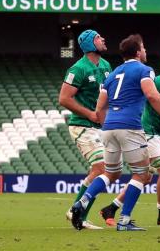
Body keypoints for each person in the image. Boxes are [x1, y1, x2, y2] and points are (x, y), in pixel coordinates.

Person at [70, 34, 160, 232]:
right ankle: (124, 220)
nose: (146, 51)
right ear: (138, 52)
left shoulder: (113, 73)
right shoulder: (144, 70)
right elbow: (152, 95)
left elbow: (100, 107)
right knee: (142, 175)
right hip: (130, 126)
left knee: (111, 172)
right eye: (144, 48)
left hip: (108, 128)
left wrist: (108, 125)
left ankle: (83, 201)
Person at [99, 50, 160, 227]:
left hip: (158, 135)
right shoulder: (157, 81)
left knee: (144, 177)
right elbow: (148, 97)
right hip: (146, 131)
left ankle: (111, 208)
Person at [59, 29, 111, 230]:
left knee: (104, 171)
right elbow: (64, 98)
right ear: (90, 43)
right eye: (99, 37)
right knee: (101, 167)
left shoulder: (106, 66)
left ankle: (79, 215)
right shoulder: (78, 69)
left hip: (99, 126)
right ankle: (76, 212)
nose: (103, 39)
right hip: (82, 125)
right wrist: (89, 114)